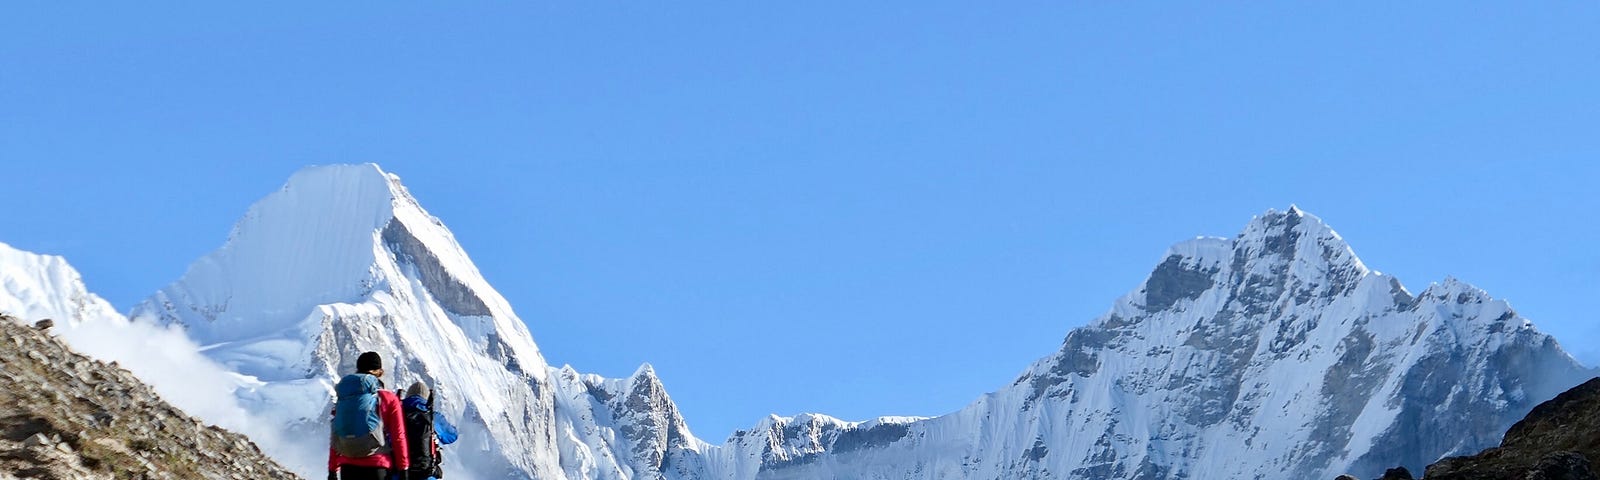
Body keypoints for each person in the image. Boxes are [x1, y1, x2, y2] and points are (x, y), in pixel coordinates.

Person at [329, 351, 409, 480]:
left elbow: (336, 431)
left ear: (358, 370)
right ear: (380, 372)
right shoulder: (388, 398)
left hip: (347, 467)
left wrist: (332, 469)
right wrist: (403, 468)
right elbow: (398, 436)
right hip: (377, 466)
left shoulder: (344, 397)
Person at [401, 382, 445, 480]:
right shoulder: (432, 415)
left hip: (399, 472)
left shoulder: (397, 413)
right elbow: (451, 436)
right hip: (425, 473)